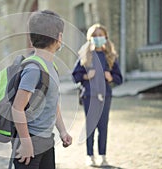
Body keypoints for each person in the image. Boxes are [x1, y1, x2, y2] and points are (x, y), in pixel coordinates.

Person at [11, 10, 72, 169]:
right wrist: (25, 143)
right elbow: (17, 108)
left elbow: (52, 104)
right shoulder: (34, 69)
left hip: (46, 141)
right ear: (59, 38)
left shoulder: (51, 67)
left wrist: (63, 131)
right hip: (29, 143)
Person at [72, 24, 123, 167]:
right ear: (90, 38)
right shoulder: (85, 56)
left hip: (105, 97)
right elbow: (74, 76)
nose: (98, 38)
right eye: (95, 36)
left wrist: (111, 77)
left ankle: (103, 156)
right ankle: (89, 156)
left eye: (100, 35)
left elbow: (119, 79)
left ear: (105, 37)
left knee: (103, 126)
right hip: (89, 96)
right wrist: (85, 76)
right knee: (91, 126)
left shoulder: (110, 57)